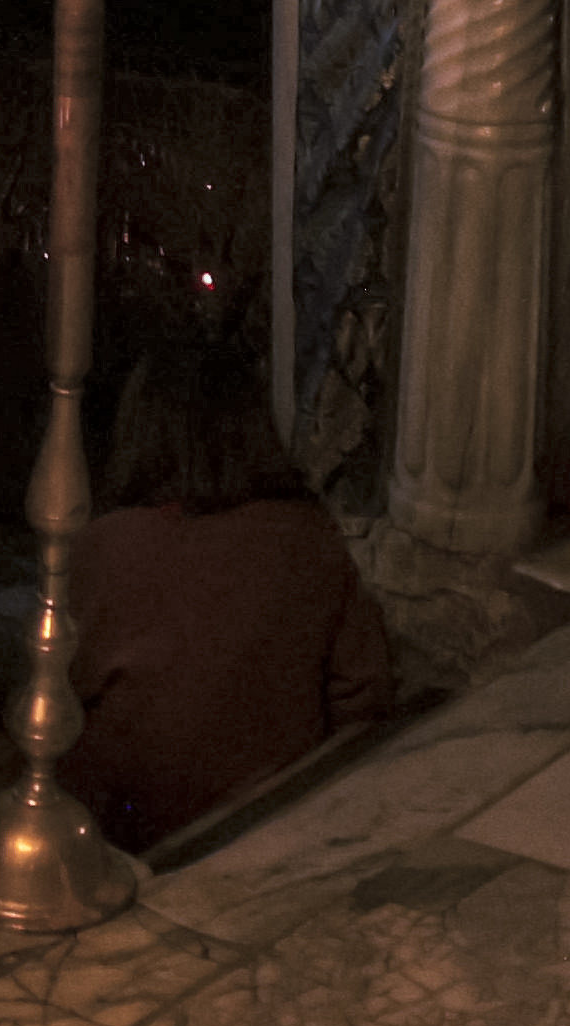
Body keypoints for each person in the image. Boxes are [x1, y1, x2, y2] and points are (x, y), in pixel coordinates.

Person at [53, 300, 404, 846]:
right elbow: (363, 696)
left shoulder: (106, 547)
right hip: (274, 819)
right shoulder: (307, 534)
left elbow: (58, 703)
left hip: (129, 832)